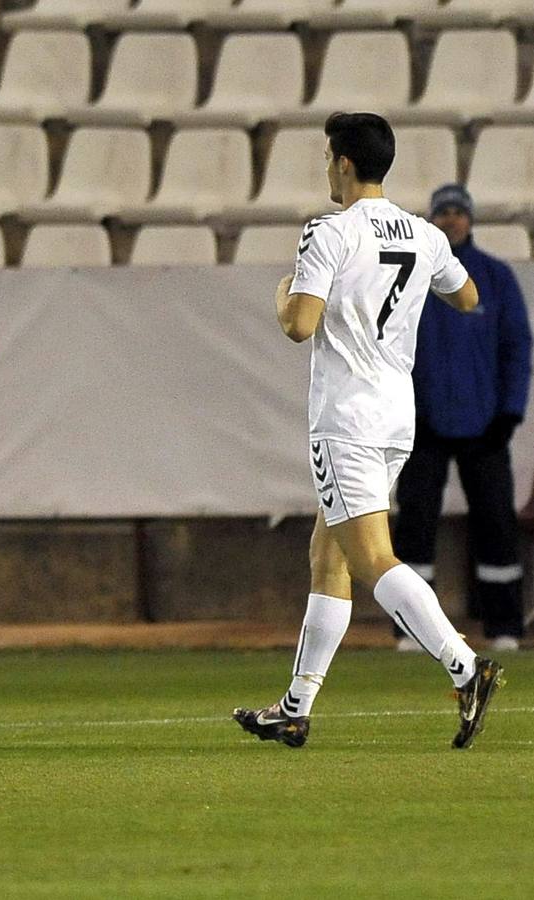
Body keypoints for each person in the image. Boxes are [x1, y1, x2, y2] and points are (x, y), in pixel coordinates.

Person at [233, 113, 504, 751]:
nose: (327, 168)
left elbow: (299, 324)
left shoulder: (326, 233)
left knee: (372, 558)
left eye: (329, 157)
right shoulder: (424, 233)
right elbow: (466, 298)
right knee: (328, 555)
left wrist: (280, 295)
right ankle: (296, 707)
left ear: (346, 164)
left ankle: (466, 667)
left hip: (346, 418)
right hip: (394, 416)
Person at [391, 184, 530, 653]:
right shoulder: (412, 278)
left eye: (458, 212)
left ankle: (505, 627)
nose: (450, 220)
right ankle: (412, 632)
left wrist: (509, 414)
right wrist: (406, 412)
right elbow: (391, 349)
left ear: (470, 220)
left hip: (485, 428)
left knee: (496, 525)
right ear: (430, 220)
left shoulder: (494, 277)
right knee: (415, 525)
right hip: (423, 426)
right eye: (442, 213)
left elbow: (517, 349)